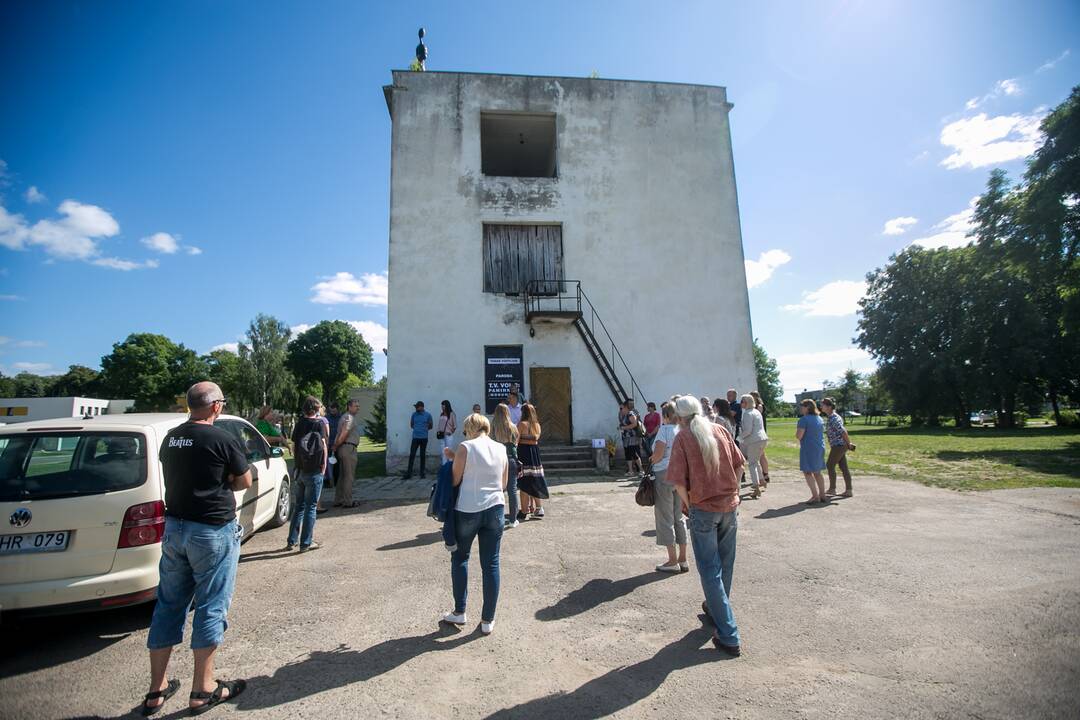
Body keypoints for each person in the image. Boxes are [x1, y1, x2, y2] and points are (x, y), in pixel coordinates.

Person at [143, 382, 250, 715]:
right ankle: (202, 690)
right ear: (216, 406)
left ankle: (156, 690)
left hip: (175, 528)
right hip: (211, 530)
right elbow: (244, 480)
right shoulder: (222, 438)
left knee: (169, 604)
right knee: (211, 605)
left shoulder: (172, 438)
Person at [666, 395, 744, 656]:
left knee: (710, 570)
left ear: (679, 417)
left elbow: (677, 483)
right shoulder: (720, 429)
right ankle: (716, 609)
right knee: (725, 564)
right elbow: (739, 463)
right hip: (729, 507)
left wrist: (690, 505)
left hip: (704, 509)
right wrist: (736, 492)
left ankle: (728, 634)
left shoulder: (683, 438)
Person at [440, 413, 508, 635]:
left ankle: (460, 611)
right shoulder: (501, 448)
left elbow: (456, 479)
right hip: (495, 508)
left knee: (460, 557)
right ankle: (488, 619)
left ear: (470, 428)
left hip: (468, 508)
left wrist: (452, 460)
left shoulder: (465, 447)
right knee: (491, 564)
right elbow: (504, 483)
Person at [648, 401, 687, 573]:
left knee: (665, 516)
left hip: (664, 473)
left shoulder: (664, 430)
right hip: (681, 474)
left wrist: (651, 459)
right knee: (678, 516)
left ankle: (672, 560)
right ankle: (683, 558)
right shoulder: (683, 431)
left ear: (665, 416)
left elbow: (657, 455)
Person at [287, 395, 328, 551]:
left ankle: (292, 541)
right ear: (316, 409)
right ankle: (306, 542)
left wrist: (297, 465)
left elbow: (295, 445)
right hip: (315, 469)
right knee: (311, 507)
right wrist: (323, 465)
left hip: (300, 469)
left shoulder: (299, 423)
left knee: (299, 506)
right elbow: (323, 445)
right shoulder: (319, 424)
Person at [491, 403, 521, 528]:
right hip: (511, 459)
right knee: (512, 490)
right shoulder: (513, 427)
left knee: (498, 490)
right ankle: (513, 519)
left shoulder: (492, 427)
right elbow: (516, 443)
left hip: (497, 460)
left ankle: (498, 518)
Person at [516, 402, 548, 519]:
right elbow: (535, 439)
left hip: (523, 453)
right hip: (534, 454)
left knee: (524, 482)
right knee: (535, 480)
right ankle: (539, 508)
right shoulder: (537, 425)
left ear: (523, 412)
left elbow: (516, 441)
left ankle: (524, 510)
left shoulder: (521, 424)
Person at [820, 397, 855, 497]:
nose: (821, 406)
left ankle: (832, 489)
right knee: (843, 467)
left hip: (839, 445)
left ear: (829, 406)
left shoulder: (834, 418)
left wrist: (849, 443)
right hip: (838, 445)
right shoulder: (831, 417)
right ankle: (848, 490)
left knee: (830, 465)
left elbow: (843, 431)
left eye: (823, 405)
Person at [796, 399, 827, 504]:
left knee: (808, 472)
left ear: (807, 407)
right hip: (820, 447)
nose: (801, 408)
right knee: (818, 472)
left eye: (802, 406)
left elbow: (799, 436)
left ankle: (815, 496)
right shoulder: (819, 418)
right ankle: (822, 495)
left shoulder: (804, 420)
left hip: (808, 448)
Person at [331, 399, 361, 508]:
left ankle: (338, 500)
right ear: (349, 406)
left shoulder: (344, 416)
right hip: (348, 448)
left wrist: (336, 446)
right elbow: (344, 433)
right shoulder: (349, 417)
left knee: (342, 476)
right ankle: (348, 501)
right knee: (349, 476)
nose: (358, 408)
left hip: (343, 448)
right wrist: (336, 445)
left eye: (358, 406)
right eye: (356, 406)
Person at [738, 394, 769, 499]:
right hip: (762, 439)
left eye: (742, 401)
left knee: (751, 464)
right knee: (755, 462)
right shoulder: (756, 411)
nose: (741, 403)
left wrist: (739, 438)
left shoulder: (747, 413)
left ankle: (756, 487)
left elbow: (748, 430)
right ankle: (762, 481)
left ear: (746, 402)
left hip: (754, 440)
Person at [404, 401, 433, 479]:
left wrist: (423, 430)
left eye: (417, 407)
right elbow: (412, 425)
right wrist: (417, 429)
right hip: (415, 438)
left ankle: (422, 473)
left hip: (424, 438)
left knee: (422, 456)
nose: (416, 408)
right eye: (416, 407)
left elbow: (431, 426)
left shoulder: (428, 415)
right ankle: (408, 473)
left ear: (422, 407)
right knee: (412, 455)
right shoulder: (414, 415)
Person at [750, 391, 771, 485]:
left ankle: (765, 474)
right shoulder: (754, 407)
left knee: (761, 454)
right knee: (759, 455)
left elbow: (756, 418)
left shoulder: (759, 406)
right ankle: (762, 476)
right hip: (756, 434)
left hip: (760, 433)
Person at [620, 399, 643, 478]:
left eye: (621, 408)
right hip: (626, 437)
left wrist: (624, 427)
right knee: (628, 454)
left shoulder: (630, 414)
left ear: (626, 407)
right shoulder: (624, 415)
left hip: (632, 437)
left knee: (634, 454)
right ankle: (630, 471)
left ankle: (641, 470)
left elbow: (634, 424)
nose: (621, 410)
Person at [643, 401, 662, 473]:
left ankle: (655, 463)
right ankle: (651, 464)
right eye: (648, 407)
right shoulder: (646, 416)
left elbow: (658, 425)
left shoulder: (657, 415)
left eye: (649, 407)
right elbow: (644, 425)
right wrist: (647, 433)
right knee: (648, 449)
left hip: (654, 434)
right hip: (647, 434)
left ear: (653, 407)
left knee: (652, 448)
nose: (648, 408)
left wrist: (652, 433)